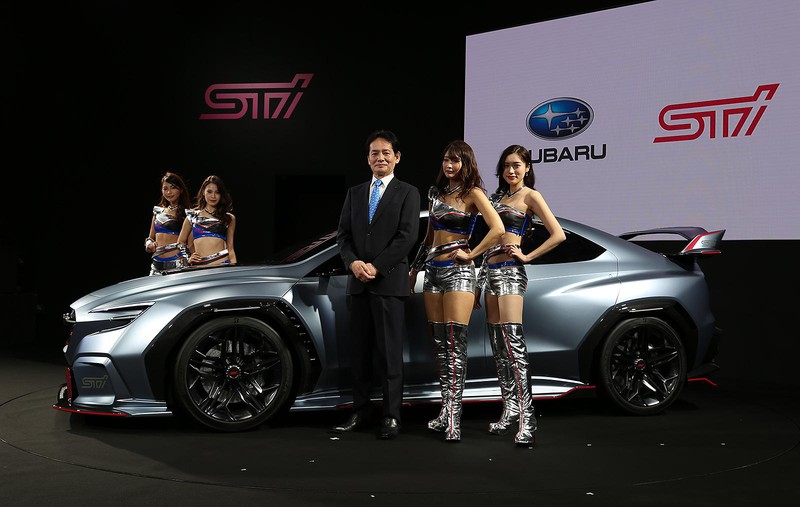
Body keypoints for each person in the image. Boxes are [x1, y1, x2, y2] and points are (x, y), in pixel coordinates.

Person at [409, 140, 504, 442]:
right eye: (446, 160)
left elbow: (498, 229)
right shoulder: (436, 194)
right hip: (432, 272)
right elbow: (428, 237)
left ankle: (454, 417)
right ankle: (445, 409)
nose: (449, 165)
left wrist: (472, 253)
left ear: (466, 163)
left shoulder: (473, 193)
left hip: (459, 273)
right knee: (440, 345)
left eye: (455, 160)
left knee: (454, 344)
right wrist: (414, 269)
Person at [332, 129, 421, 440]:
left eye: (386, 153)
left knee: (389, 355)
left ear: (397, 157)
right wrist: (353, 263)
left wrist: (376, 266)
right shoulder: (355, 193)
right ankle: (360, 411)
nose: (380, 158)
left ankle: (392, 416)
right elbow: (343, 236)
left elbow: (407, 237)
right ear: (367, 158)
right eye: (374, 153)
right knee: (359, 355)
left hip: (388, 283)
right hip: (358, 284)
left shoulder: (408, 192)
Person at [477, 144, 565, 446]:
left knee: (514, 345)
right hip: (490, 274)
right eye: (506, 165)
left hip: (511, 274)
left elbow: (558, 234)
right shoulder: (496, 198)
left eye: (516, 165)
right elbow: (489, 239)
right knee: (498, 346)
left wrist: (527, 256)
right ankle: (510, 409)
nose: (511, 170)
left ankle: (528, 417)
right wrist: (480, 279)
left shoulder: (531, 196)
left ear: (527, 167)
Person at [177, 174, 237, 267]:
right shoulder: (192, 216)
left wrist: (234, 267)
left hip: (222, 266)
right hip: (199, 268)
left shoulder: (228, 218)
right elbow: (180, 242)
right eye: (209, 192)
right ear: (203, 192)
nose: (213, 196)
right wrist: (188, 257)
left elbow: (230, 248)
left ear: (221, 195)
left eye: (217, 192)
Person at [144, 172, 193, 275]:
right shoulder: (158, 212)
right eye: (165, 189)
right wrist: (149, 244)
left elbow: (191, 244)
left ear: (181, 189)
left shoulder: (187, 214)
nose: (169, 192)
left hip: (178, 265)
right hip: (156, 267)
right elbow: (150, 238)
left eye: (173, 188)